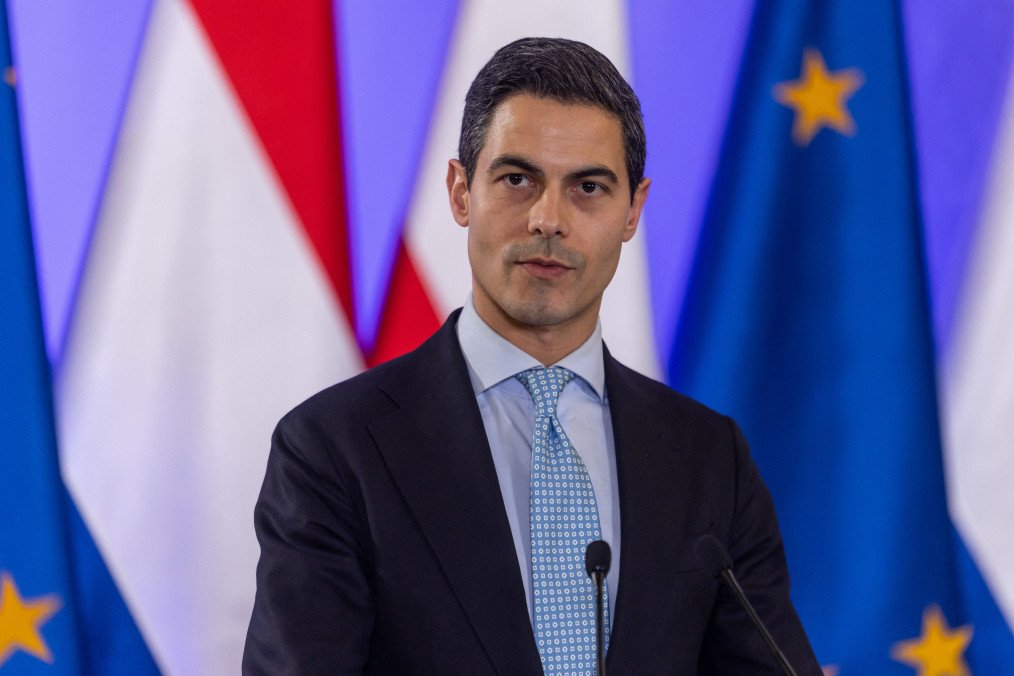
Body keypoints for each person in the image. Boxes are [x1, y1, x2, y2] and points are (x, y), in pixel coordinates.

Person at [243, 37, 822, 675]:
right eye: (518, 179)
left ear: (634, 210)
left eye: (589, 188)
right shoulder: (333, 449)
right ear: (461, 192)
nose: (548, 218)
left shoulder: (710, 457)